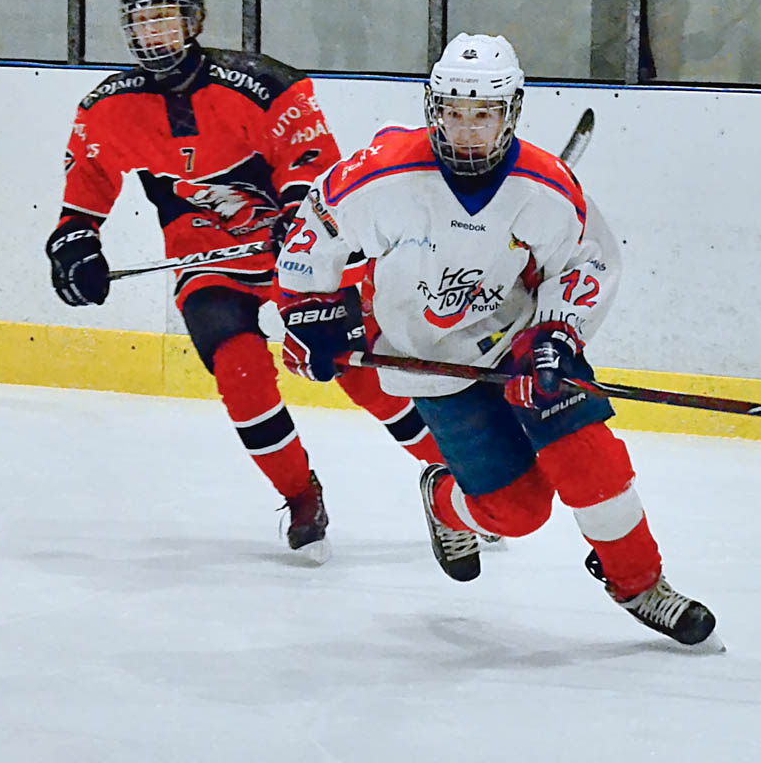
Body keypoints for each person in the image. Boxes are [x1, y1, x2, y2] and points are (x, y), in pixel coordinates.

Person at [275, 33, 717, 645]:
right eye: (454, 113)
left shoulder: (547, 186)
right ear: (434, 109)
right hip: (429, 356)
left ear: (510, 113)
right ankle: (445, 501)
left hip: (523, 340)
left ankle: (640, 583)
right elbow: (314, 230)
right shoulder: (383, 173)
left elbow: (587, 261)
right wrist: (309, 308)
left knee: (588, 458)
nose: (466, 130)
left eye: (483, 114)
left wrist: (557, 335)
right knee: (518, 511)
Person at [45, 0, 444, 563]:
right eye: (142, 21)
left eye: (165, 18)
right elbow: (87, 188)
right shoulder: (107, 108)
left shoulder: (265, 85)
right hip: (206, 259)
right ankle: (300, 495)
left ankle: (462, 477)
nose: (153, 33)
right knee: (240, 374)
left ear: (194, 20)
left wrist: (295, 215)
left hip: (302, 254)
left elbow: (313, 162)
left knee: (358, 369)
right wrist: (76, 242)